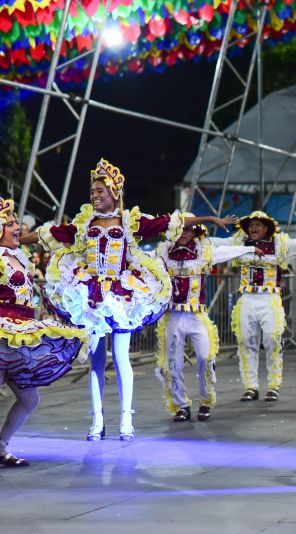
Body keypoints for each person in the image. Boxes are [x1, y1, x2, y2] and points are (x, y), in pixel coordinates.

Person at [26, 159, 228, 441]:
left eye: (100, 191)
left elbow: (168, 221)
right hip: (92, 296)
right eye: (92, 191)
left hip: (122, 295)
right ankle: (97, 420)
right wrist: (14, 238)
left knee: (121, 357)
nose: (94, 195)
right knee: (95, 360)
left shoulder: (130, 222)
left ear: (114, 193)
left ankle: (125, 419)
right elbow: (51, 234)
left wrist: (208, 220)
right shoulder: (85, 223)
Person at [0, 197, 89, 465]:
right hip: (2, 335)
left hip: (20, 336)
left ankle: (1, 446)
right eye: (11, 223)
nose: (18, 228)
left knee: (29, 399)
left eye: (17, 222)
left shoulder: (17, 255)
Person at [153, 215, 260, 422]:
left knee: (205, 357)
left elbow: (224, 253)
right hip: (172, 317)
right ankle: (181, 406)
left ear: (196, 232)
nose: (184, 233)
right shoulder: (163, 254)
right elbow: (144, 261)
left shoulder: (203, 252)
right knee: (172, 363)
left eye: (188, 230)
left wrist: (249, 249)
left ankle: (205, 401)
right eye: (181, 229)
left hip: (196, 316)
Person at [220, 212, 296, 403]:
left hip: (270, 299)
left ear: (267, 228)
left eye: (258, 225)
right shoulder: (239, 243)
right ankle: (250, 386)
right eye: (251, 225)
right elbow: (215, 244)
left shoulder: (281, 244)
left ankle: (273, 385)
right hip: (247, 298)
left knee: (272, 339)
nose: (253, 228)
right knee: (246, 341)